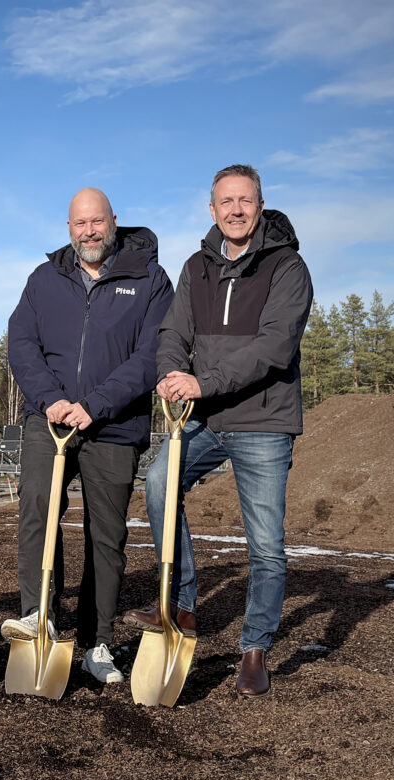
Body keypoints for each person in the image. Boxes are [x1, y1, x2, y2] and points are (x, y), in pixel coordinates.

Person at [123, 164, 313, 697]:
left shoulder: (287, 268)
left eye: (245, 201)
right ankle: (180, 606)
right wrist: (168, 376)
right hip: (207, 420)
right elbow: (173, 332)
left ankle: (255, 647)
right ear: (212, 210)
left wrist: (201, 382)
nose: (235, 210)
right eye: (226, 201)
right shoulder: (196, 267)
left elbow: (274, 349)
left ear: (259, 206)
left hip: (263, 420)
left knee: (266, 544)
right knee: (160, 483)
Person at [3, 188, 173, 684]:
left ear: (114, 222)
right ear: (69, 227)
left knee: (108, 534)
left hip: (114, 424)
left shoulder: (149, 280)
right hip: (50, 418)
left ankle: (97, 642)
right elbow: (22, 344)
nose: (89, 231)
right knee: (37, 505)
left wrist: (94, 406)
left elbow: (150, 356)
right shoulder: (44, 278)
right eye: (80, 223)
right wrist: (51, 400)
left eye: (97, 222)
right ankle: (39, 616)